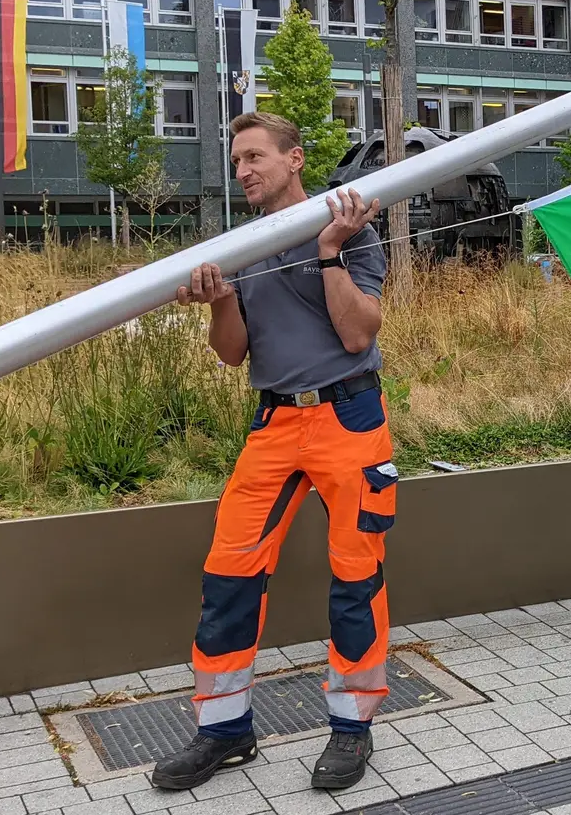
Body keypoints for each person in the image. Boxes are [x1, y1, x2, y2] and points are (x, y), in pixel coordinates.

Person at [152, 111, 397, 793]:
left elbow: (357, 334)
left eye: (255, 156)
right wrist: (219, 302)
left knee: (356, 576)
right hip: (274, 424)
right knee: (228, 572)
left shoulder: (350, 224)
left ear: (295, 159)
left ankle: (352, 731)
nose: (244, 171)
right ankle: (225, 733)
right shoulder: (238, 245)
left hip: (348, 413)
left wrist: (327, 250)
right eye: (236, 162)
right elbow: (232, 353)